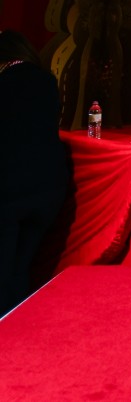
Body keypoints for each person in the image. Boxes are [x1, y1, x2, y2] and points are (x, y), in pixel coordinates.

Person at [0, 31, 69, 315]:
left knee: (3, 273)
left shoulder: (4, 84)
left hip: (8, 192)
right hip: (49, 191)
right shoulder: (47, 81)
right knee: (20, 267)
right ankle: (16, 325)